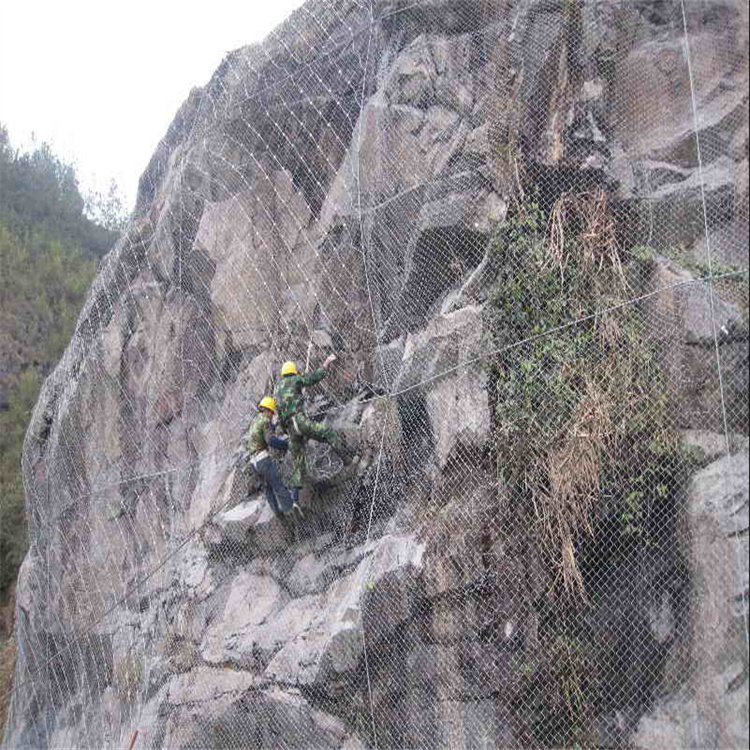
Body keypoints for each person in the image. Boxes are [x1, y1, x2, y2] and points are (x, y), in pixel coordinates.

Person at [273, 356, 356, 491]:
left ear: (283, 373)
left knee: (298, 458)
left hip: (290, 428)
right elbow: (313, 378)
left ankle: (304, 490)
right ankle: (347, 460)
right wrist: (326, 363)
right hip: (300, 421)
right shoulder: (294, 379)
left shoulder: (277, 390)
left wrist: (284, 429)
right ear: (293, 372)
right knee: (327, 433)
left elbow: (279, 413)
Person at [244, 396, 302, 517]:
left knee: (268, 490)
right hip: (263, 460)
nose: (272, 416)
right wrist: (286, 445)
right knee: (278, 485)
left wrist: (274, 427)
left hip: (253, 463)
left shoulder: (255, 421)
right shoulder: (265, 420)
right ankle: (291, 511)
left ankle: (278, 514)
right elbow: (270, 440)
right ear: (268, 410)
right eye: (272, 412)